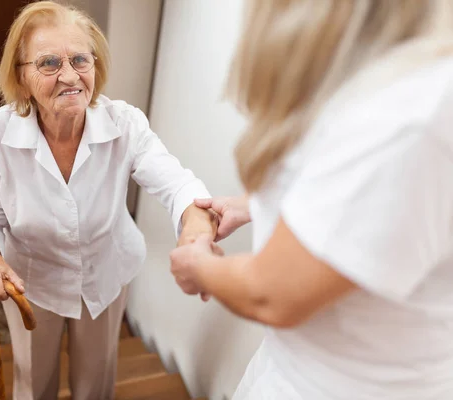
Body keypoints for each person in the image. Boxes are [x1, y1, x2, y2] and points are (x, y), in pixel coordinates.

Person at [169, 1, 453, 399]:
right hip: (290, 359)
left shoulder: (409, 117)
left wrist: (200, 269)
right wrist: (252, 204)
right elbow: (347, 196)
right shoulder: (367, 75)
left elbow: (272, 294)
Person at [0, 2, 217, 399]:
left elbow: (177, 185)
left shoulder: (124, 123)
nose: (69, 76)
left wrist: (196, 236)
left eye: (80, 59)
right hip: (30, 280)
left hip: (106, 271)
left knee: (96, 379)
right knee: (32, 377)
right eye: (48, 63)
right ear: (21, 77)